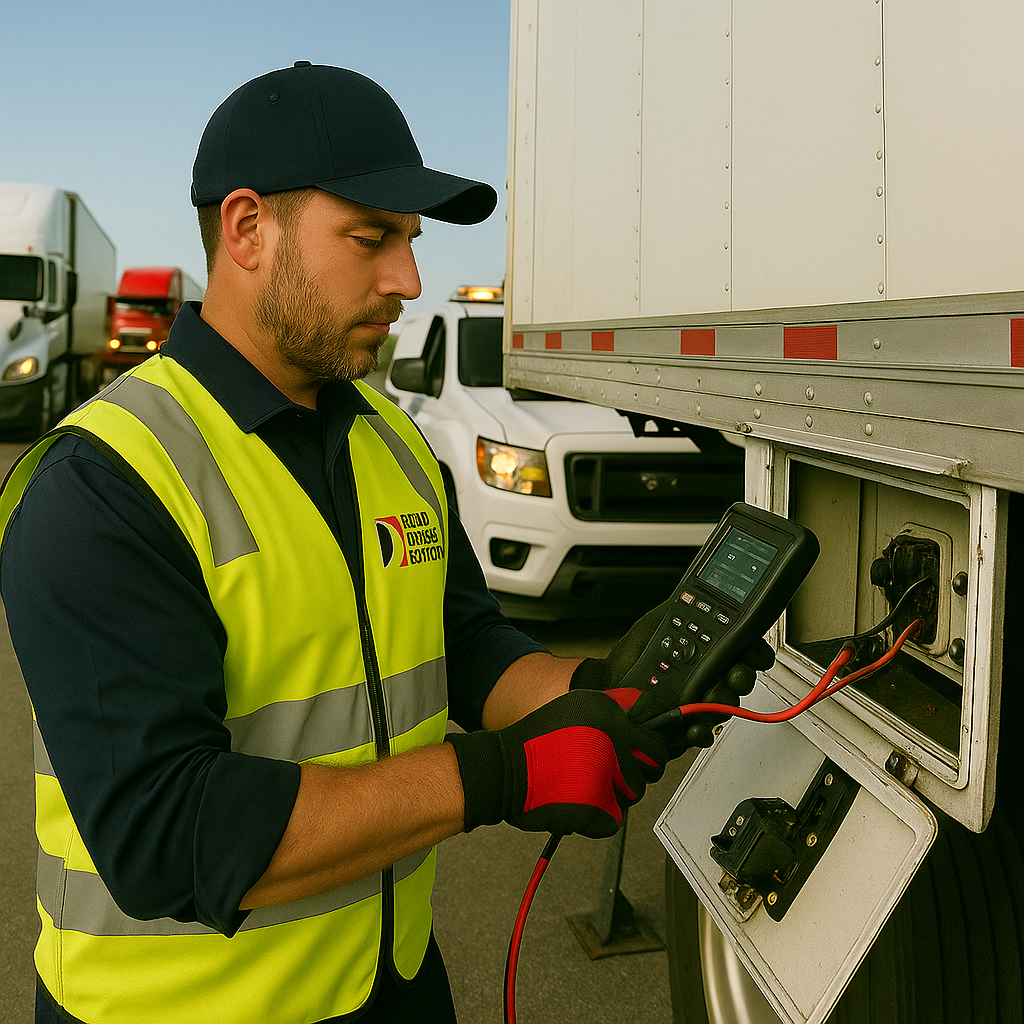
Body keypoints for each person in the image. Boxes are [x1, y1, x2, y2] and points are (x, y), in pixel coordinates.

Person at [0, 63, 757, 1024]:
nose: (408, 279)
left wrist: (598, 690)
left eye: (410, 241)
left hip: (389, 982)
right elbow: (168, 833)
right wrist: (507, 773)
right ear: (246, 230)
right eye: (372, 238)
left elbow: (466, 644)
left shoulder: (391, 440)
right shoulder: (105, 482)